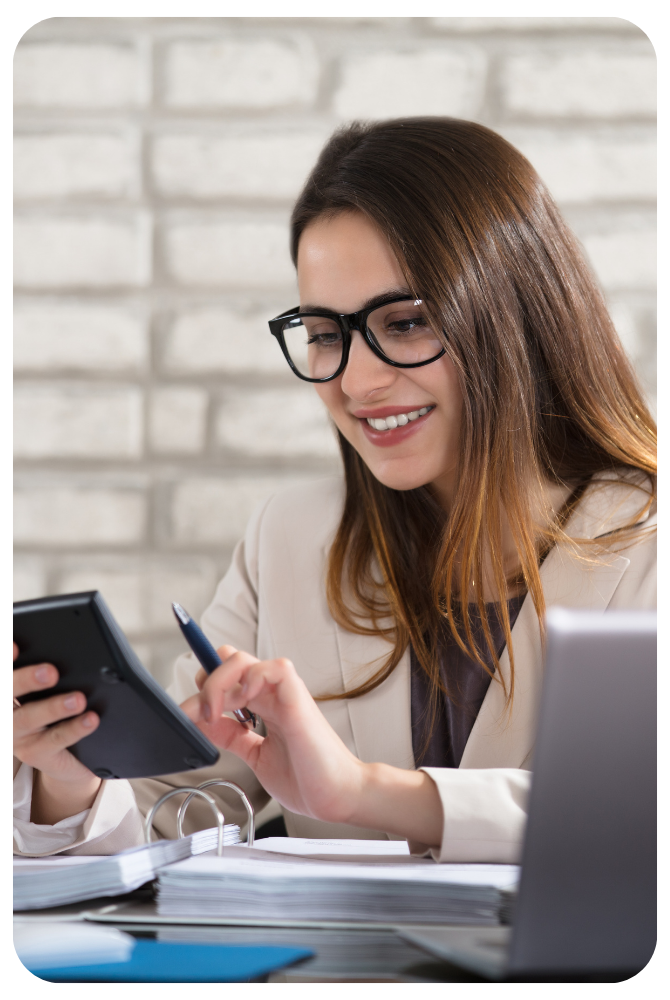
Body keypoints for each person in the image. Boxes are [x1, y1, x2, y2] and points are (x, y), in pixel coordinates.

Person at [12, 118, 657, 861]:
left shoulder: (644, 543)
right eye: (324, 333)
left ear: (516, 314)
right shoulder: (287, 540)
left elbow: (631, 813)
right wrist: (72, 779)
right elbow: (171, 807)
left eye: (406, 322)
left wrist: (360, 791)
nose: (357, 382)